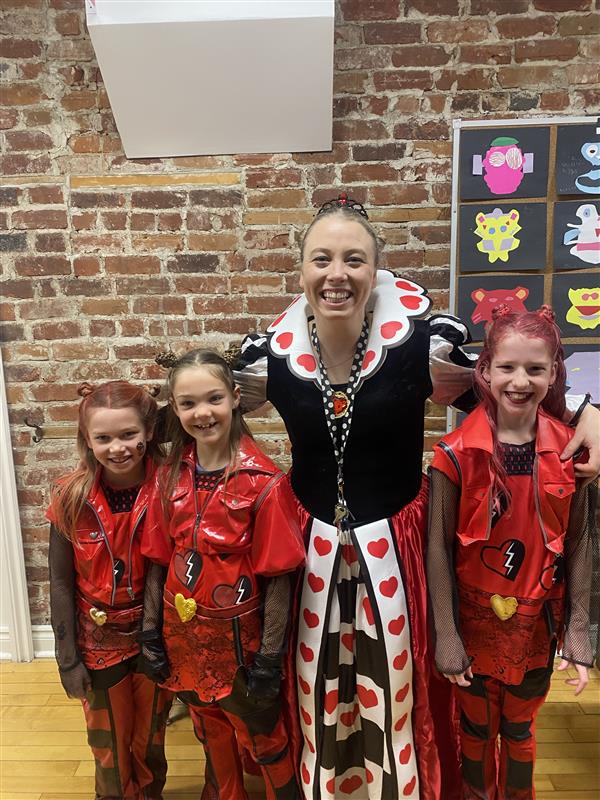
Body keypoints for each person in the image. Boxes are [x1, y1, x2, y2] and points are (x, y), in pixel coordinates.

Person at [232, 195, 600, 800]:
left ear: (376, 268)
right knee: (315, 678)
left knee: (397, 683)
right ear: (301, 270)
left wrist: (589, 414)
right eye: (321, 259)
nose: (336, 274)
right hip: (310, 548)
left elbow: (508, 390)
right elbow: (205, 409)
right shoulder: (270, 354)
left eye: (354, 259)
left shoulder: (420, 343)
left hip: (399, 547)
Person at [427, 305, 593, 800]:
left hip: (536, 625)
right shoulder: (454, 453)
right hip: (472, 626)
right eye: (507, 367)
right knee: (476, 731)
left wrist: (578, 629)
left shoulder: (571, 451)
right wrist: (446, 634)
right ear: (485, 370)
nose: (520, 381)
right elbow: (437, 548)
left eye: (535, 369)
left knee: (520, 731)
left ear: (554, 373)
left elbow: (581, 541)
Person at [139, 349, 305, 800]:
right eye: (188, 403)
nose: (202, 413)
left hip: (241, 646)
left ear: (234, 397)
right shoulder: (167, 479)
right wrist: (150, 632)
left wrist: (268, 659)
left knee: (263, 737)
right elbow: (158, 561)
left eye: (213, 398)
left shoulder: (265, 483)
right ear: (175, 409)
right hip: (183, 638)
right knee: (208, 728)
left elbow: (279, 577)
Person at [47, 380, 172, 800]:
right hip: (97, 637)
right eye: (103, 438)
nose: (117, 448)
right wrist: (67, 659)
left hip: (157, 632)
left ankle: (150, 793)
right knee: (107, 740)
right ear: (87, 439)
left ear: (149, 431)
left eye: (128, 434)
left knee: (151, 732)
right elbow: (60, 581)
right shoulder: (69, 496)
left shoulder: (172, 487)